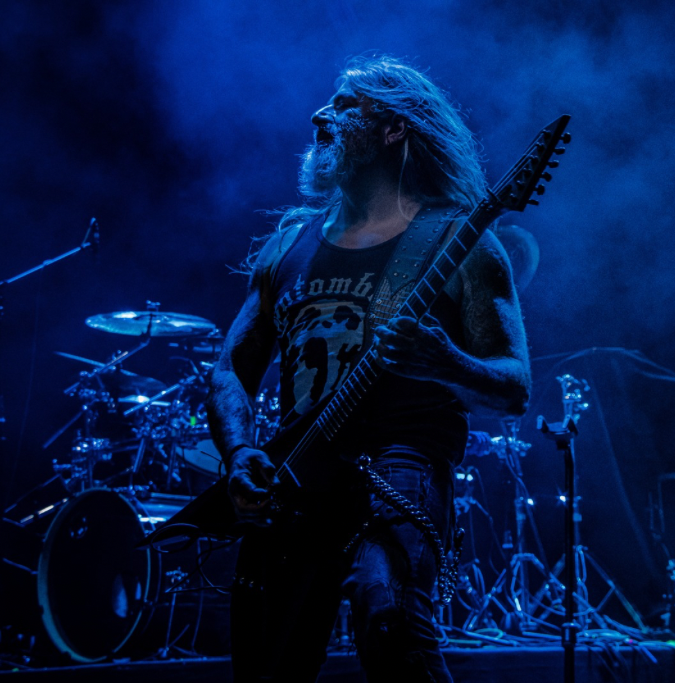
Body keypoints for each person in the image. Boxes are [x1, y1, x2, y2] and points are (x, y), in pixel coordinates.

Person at [206, 55, 531, 683]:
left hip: (400, 460)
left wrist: (447, 362)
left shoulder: (461, 241)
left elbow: (513, 387)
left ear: (393, 129)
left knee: (390, 621)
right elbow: (229, 372)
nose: (318, 115)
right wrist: (240, 452)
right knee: (266, 663)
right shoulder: (288, 244)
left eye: (344, 104)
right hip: (296, 473)